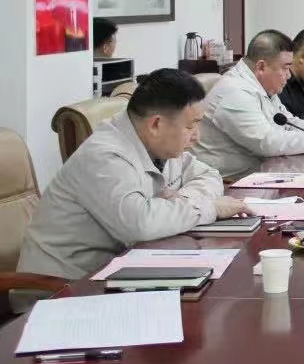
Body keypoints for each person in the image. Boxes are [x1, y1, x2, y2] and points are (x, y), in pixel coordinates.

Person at [18, 69, 248, 279]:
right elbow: (140, 224)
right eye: (191, 126)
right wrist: (209, 208)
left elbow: (209, 175)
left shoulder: (162, 145)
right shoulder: (104, 156)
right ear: (156, 124)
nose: (197, 136)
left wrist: (183, 201)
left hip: (121, 269)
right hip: (64, 286)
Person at [193, 30, 304, 180]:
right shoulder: (234, 92)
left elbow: (289, 122)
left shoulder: (263, 86)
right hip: (230, 182)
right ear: (261, 67)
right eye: (285, 67)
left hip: (261, 174)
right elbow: (267, 143)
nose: (289, 75)